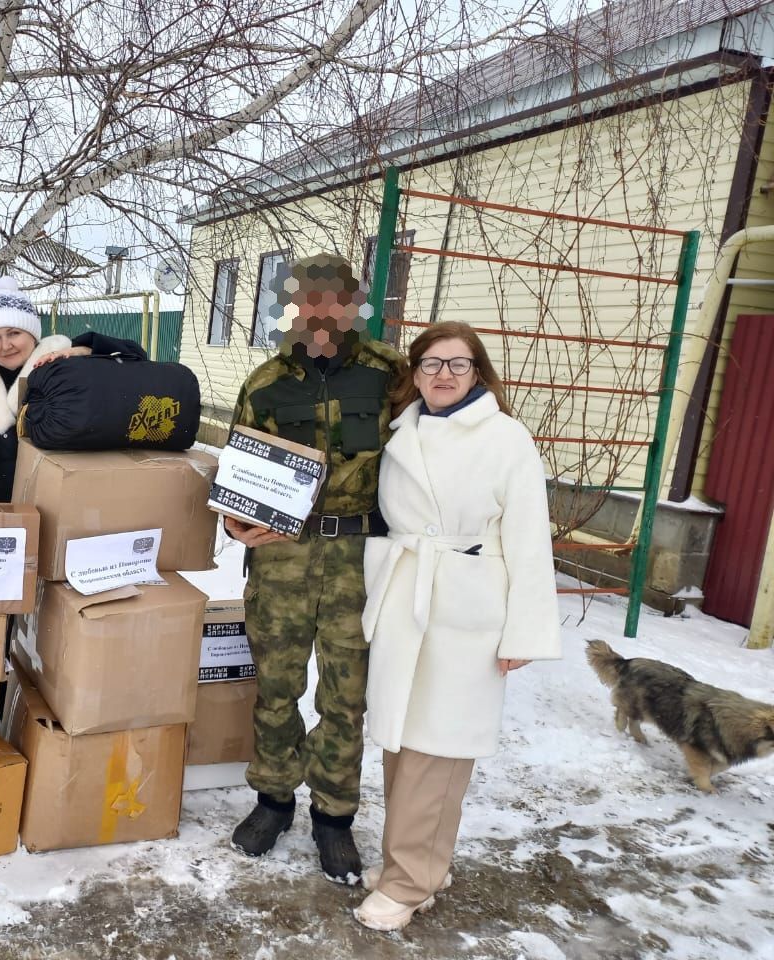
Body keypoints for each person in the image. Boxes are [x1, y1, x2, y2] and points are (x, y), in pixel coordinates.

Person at [353, 321, 561, 931]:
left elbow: (528, 540)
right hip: (407, 598)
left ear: (479, 372)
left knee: (437, 752)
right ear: (414, 374)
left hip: (465, 607)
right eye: (431, 364)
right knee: (402, 742)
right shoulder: (404, 431)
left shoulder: (505, 438)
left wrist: (524, 631)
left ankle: (409, 880)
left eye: (458, 364)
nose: (443, 375)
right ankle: (419, 864)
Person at [225, 253, 404, 884]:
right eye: (308, 299)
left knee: (345, 696)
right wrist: (234, 520)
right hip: (281, 555)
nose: (321, 312)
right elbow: (238, 472)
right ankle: (273, 801)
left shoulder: (391, 376)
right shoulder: (267, 381)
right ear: (293, 308)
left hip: (359, 556)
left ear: (353, 306)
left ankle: (334, 818)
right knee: (276, 685)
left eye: (334, 299)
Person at [0, 275, 147, 502]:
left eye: (14, 333)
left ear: (32, 333)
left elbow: (136, 355)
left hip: (56, 504)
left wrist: (85, 351)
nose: (5, 345)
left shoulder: (60, 365)